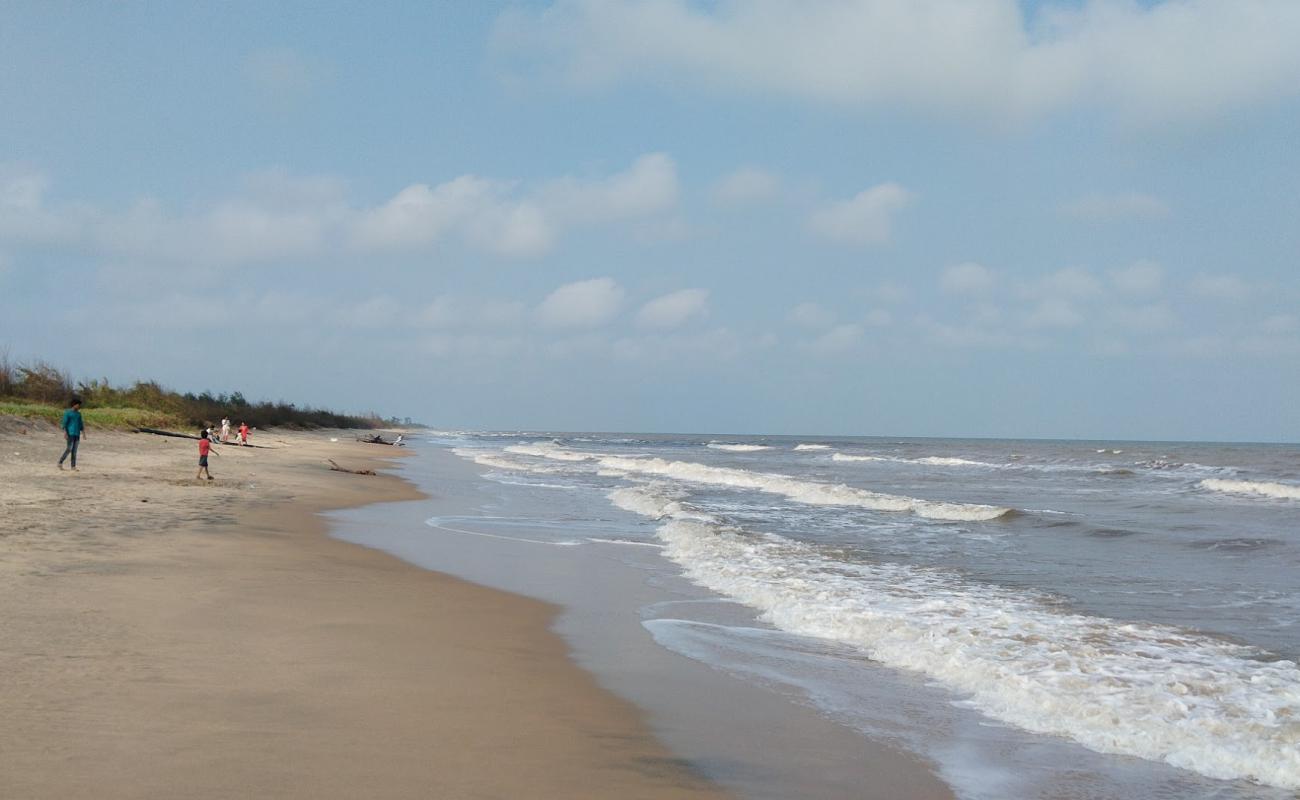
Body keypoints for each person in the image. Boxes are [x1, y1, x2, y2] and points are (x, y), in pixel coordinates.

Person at [57, 396, 85, 471]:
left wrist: (83, 433)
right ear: (74, 404)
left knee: (74, 451)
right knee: (69, 449)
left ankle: (73, 466)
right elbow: (64, 423)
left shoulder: (79, 414)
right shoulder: (68, 413)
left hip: (77, 434)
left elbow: (80, 424)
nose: (79, 406)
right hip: (70, 433)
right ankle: (60, 462)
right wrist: (65, 433)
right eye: (78, 405)